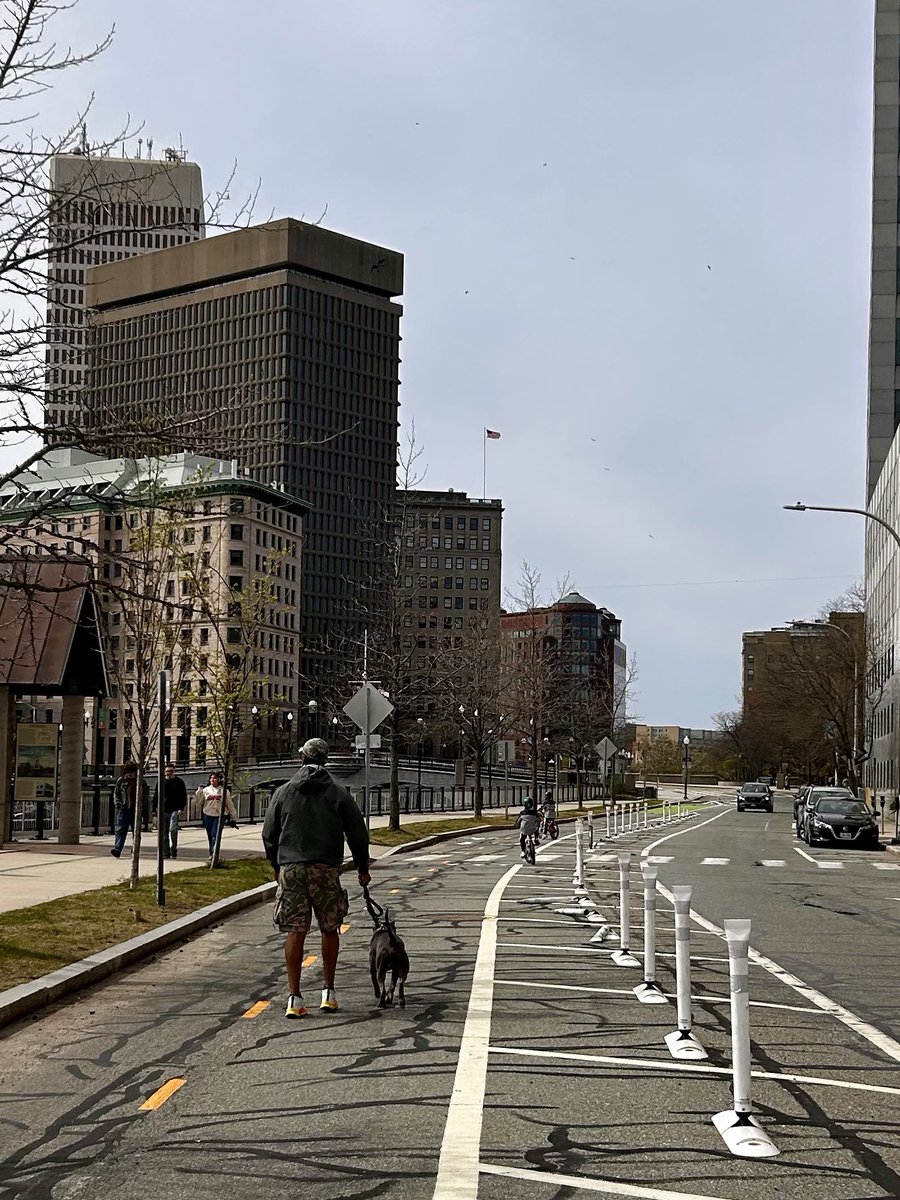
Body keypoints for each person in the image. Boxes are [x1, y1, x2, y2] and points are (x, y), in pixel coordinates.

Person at [262, 737, 370, 1018]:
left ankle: (294, 997)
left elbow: (269, 833)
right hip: (325, 867)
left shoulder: (284, 792)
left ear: (302, 759)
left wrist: (276, 864)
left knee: (295, 929)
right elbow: (357, 833)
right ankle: (329, 993)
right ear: (325, 760)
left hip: (292, 868)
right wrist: (362, 867)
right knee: (329, 927)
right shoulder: (338, 793)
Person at [194, 771, 238, 859]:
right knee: (210, 835)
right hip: (208, 814)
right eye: (211, 778)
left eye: (215, 778)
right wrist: (199, 793)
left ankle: (215, 854)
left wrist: (233, 817)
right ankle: (211, 852)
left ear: (219, 779)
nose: (212, 780)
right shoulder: (206, 790)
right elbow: (199, 803)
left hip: (220, 815)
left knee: (215, 835)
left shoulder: (224, 791)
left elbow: (229, 804)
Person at [111, 762, 149, 859]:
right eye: (128, 772)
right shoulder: (121, 781)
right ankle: (117, 849)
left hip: (136, 810)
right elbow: (116, 794)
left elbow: (145, 796)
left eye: (132, 772)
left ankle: (135, 849)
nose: (130, 774)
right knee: (120, 830)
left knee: (136, 831)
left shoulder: (141, 782)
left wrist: (143, 809)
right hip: (123, 809)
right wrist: (118, 804)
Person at [153, 764, 188, 858]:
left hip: (175, 810)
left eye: (171, 771)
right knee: (164, 833)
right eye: (167, 771)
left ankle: (174, 849)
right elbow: (156, 796)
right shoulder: (161, 782)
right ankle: (166, 852)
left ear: (174, 771)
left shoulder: (179, 782)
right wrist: (154, 810)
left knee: (173, 830)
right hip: (163, 810)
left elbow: (183, 796)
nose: (169, 773)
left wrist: (181, 808)